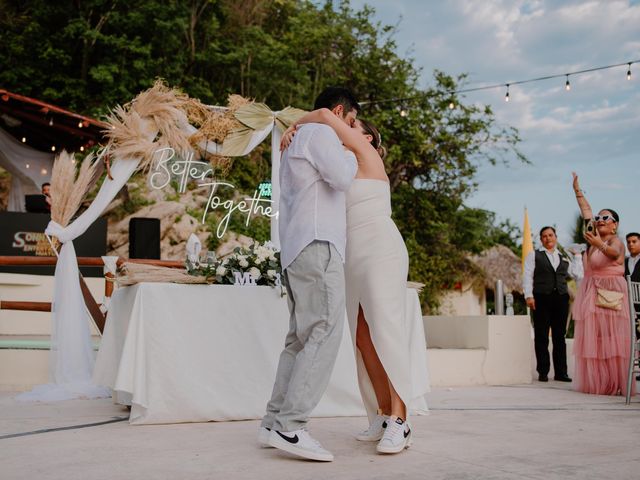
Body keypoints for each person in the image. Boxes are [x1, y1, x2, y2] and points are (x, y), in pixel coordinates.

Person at [281, 109, 430, 455]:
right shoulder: (338, 164)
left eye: (350, 126)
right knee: (363, 338)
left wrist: (297, 122)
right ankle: (381, 413)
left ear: (367, 139)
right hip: (350, 255)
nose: (342, 129)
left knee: (386, 330)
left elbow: (322, 115)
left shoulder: (367, 155)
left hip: (381, 248)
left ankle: (401, 420)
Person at [258, 87, 359, 462]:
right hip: (318, 243)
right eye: (350, 122)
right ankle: (292, 426)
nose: (351, 130)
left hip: (297, 246)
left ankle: (273, 422)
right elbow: (343, 178)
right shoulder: (322, 134)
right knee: (325, 330)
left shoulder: (300, 134)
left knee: (299, 340)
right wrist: (351, 151)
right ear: (336, 112)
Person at [571, 172, 635, 397]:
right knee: (595, 338)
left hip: (612, 292)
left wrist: (599, 243)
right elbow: (586, 212)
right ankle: (599, 382)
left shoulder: (616, 241)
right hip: (591, 290)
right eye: (599, 217)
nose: (599, 219)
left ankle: (616, 382)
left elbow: (616, 255)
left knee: (613, 338)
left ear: (615, 225)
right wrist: (577, 190)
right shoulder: (592, 237)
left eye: (605, 218)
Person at [523, 226, 582, 382]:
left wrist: (577, 256)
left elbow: (576, 274)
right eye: (544, 236)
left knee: (559, 337)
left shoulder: (563, 257)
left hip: (561, 298)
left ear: (555, 237)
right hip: (541, 297)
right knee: (541, 335)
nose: (548, 238)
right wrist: (529, 296)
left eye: (550, 235)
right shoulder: (534, 255)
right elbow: (528, 275)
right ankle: (543, 371)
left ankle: (561, 373)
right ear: (541, 239)